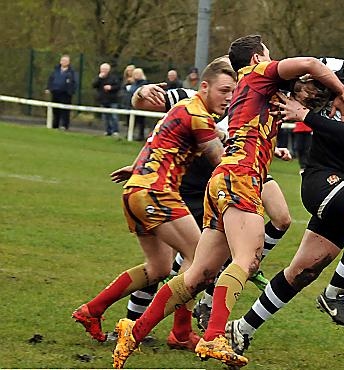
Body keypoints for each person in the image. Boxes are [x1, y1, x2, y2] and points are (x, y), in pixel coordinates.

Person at [110, 34, 344, 369]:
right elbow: (312, 64)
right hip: (240, 177)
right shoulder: (257, 74)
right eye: (268, 55)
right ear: (256, 58)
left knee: (198, 274)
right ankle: (213, 336)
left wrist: (307, 103)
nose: (273, 60)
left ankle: (133, 331)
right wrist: (342, 93)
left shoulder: (254, 88)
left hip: (227, 177)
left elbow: (296, 94)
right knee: (247, 259)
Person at [224, 23, 344, 365]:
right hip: (321, 179)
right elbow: (268, 78)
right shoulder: (333, 69)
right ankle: (334, 293)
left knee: (302, 272)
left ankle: (242, 328)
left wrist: (306, 115)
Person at [72, 60, 236, 351]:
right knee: (200, 257)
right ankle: (181, 333)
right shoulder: (198, 115)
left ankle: (92, 310)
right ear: (204, 87)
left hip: (136, 190)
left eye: (232, 92)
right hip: (157, 193)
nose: (228, 97)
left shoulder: (183, 109)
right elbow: (219, 160)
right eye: (224, 90)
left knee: (159, 266)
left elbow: (155, 139)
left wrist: (136, 167)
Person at [45, 54, 78, 130]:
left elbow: (74, 83)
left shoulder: (72, 72)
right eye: (62, 60)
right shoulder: (55, 70)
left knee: (65, 111)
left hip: (66, 94)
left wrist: (71, 91)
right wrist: (49, 88)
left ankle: (64, 125)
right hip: (55, 93)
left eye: (66, 61)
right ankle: (55, 125)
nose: (64, 62)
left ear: (69, 62)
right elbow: (50, 80)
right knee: (55, 111)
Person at [92, 63, 121, 136]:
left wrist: (111, 87)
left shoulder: (113, 77)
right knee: (105, 116)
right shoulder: (98, 78)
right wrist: (99, 78)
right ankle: (108, 131)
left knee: (114, 116)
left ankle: (115, 131)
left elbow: (118, 86)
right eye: (102, 69)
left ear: (108, 70)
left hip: (112, 99)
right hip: (103, 100)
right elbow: (94, 85)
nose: (103, 71)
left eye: (105, 69)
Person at [127, 68, 148, 140]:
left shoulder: (144, 83)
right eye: (135, 74)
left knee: (141, 121)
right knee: (132, 121)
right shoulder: (133, 83)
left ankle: (141, 136)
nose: (136, 75)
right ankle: (131, 135)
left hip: (141, 105)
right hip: (132, 104)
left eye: (138, 74)